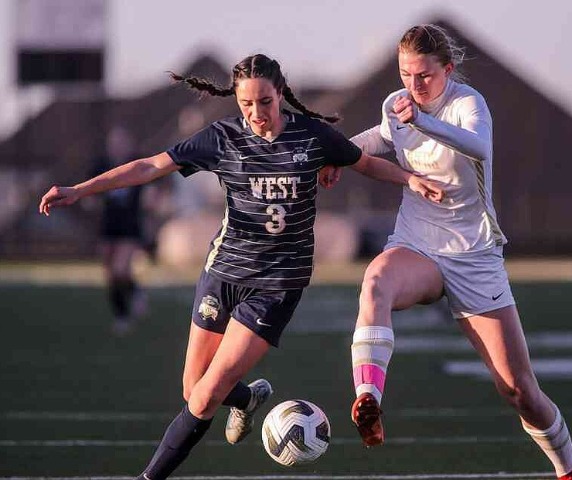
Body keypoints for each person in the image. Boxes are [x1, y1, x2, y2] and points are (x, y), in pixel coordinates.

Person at [39, 53, 443, 480]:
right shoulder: (223, 137)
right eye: (246, 104)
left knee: (207, 393)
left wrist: (408, 178)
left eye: (264, 102)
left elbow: (363, 162)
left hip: (277, 284)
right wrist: (79, 190)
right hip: (223, 273)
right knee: (193, 387)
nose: (256, 113)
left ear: (280, 94)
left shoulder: (311, 137)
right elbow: (150, 166)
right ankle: (249, 399)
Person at [345, 25, 572, 480]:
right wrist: (335, 153)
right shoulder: (396, 105)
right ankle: (369, 399)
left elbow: (477, 145)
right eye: (405, 75)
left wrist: (421, 121)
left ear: (447, 69)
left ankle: (569, 470)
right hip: (417, 243)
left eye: (423, 76)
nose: (413, 86)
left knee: (519, 391)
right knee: (375, 282)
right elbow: (378, 139)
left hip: (474, 254)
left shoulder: (467, 104)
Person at [92, 126, 149, 334]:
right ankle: (135, 292)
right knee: (111, 273)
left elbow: (154, 186)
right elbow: (90, 191)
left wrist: (154, 198)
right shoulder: (101, 165)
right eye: (114, 143)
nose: (117, 147)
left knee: (119, 269)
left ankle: (122, 317)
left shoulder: (137, 164)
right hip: (108, 225)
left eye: (121, 142)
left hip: (129, 227)